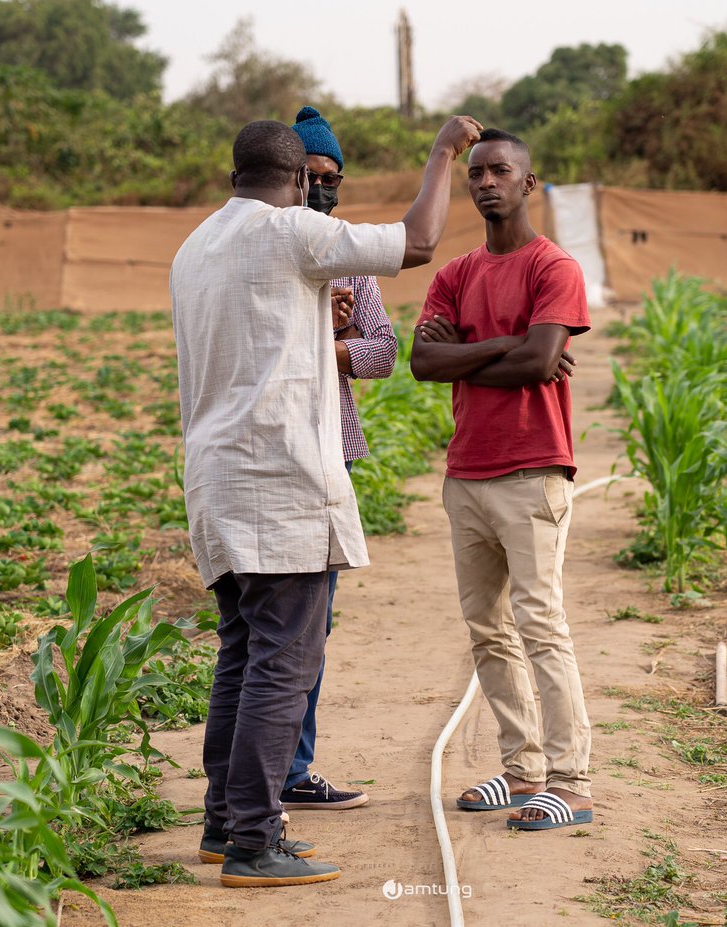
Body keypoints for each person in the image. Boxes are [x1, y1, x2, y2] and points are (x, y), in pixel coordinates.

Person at [172, 113, 482, 887]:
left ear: (231, 174)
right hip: (279, 480)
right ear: (303, 181)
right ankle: (252, 839)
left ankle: (224, 822)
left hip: (216, 478)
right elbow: (415, 242)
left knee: (243, 656)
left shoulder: (195, 245)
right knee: (285, 660)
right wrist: (444, 153)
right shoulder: (293, 234)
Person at [410, 127, 594, 832]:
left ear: (529, 181)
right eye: (477, 173)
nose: (486, 181)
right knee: (487, 628)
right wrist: (511, 345)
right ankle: (523, 770)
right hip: (468, 475)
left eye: (500, 171)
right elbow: (424, 362)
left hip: (531, 469)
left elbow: (540, 362)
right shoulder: (455, 274)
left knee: (540, 623)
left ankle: (572, 780)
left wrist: (479, 351)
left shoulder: (555, 267)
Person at [279, 105, 398, 812]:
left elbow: (384, 351)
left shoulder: (352, 257)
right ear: (289, 179)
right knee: (277, 627)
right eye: (313, 177)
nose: (325, 191)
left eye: (335, 179)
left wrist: (329, 346)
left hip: (333, 452)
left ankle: (292, 767)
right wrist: (321, 331)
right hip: (275, 451)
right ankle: (272, 774)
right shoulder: (271, 250)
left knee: (312, 624)